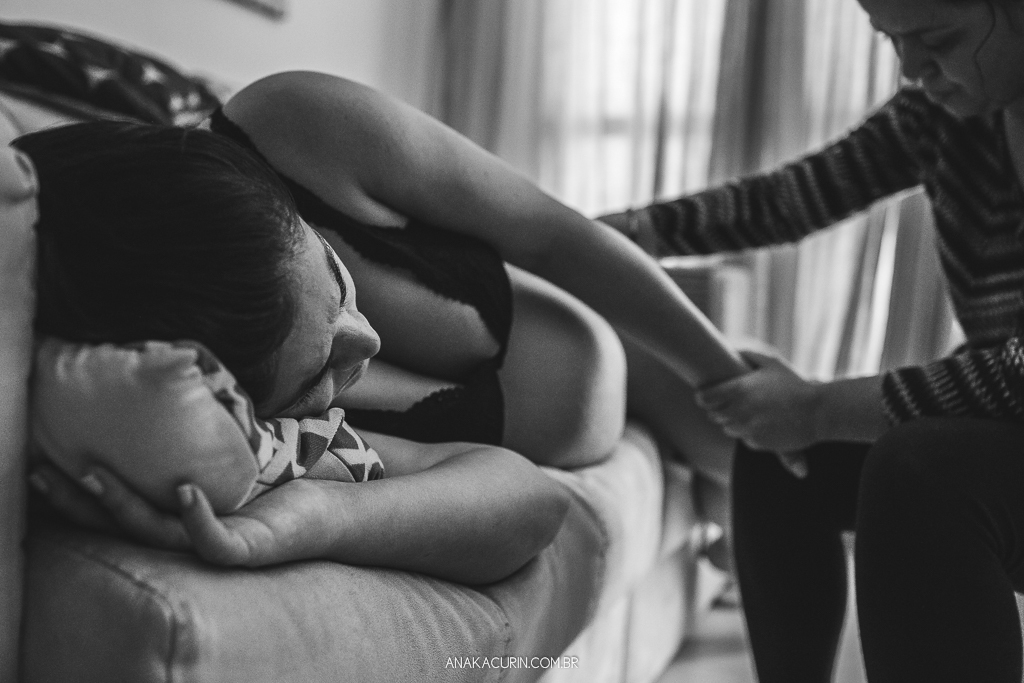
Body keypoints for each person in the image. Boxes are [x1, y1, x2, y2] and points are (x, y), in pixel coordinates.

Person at [20, 71, 745, 585]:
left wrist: (726, 377)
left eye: (335, 276)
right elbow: (527, 501)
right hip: (603, 419)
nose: (365, 342)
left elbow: (553, 234)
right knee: (763, 505)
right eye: (316, 375)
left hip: (650, 360)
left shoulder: (297, 128)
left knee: (783, 463)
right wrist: (317, 513)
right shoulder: (227, 414)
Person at [599, 0, 1024, 680]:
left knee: (919, 469)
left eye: (937, 39)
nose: (911, 70)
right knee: (778, 457)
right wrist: (624, 233)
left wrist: (818, 406)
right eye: (891, 41)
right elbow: (791, 198)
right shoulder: (947, 113)